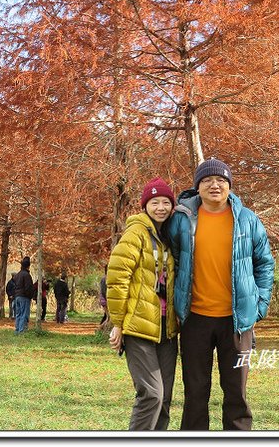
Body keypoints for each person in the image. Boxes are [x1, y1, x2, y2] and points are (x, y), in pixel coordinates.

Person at [166, 158, 275, 431]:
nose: (214, 185)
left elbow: (265, 263)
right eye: (207, 181)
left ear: (229, 186)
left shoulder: (248, 219)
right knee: (195, 391)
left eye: (221, 181)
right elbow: (172, 262)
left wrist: (260, 304)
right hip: (195, 319)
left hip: (237, 322)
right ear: (197, 187)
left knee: (237, 392)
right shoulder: (182, 219)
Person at [107, 178, 179, 430]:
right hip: (139, 327)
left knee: (165, 398)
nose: (160, 207)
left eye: (166, 202)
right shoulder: (135, 233)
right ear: (145, 205)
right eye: (155, 202)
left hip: (166, 328)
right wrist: (118, 323)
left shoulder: (169, 235)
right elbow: (117, 279)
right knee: (151, 394)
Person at [11, 257, 34, 334]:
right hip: (24, 297)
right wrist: (30, 296)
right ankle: (22, 330)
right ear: (28, 266)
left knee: (18, 314)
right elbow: (28, 287)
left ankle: (17, 329)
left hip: (17, 296)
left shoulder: (17, 275)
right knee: (24, 314)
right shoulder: (26, 275)